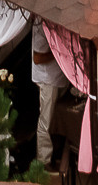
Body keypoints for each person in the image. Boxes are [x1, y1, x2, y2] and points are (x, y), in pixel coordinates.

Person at [31, 22, 68, 170]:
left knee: (56, 119)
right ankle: (43, 161)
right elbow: (38, 58)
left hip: (58, 77)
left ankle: (57, 155)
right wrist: (60, 51)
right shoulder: (40, 26)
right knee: (46, 120)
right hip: (48, 80)